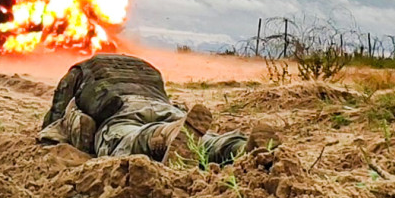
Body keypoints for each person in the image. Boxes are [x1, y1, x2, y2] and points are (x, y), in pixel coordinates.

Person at [38, 53, 278, 165]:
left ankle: (166, 136)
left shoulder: (79, 71)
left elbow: (53, 122)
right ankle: (239, 147)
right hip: (166, 110)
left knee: (129, 140)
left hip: (121, 111)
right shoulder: (148, 69)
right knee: (207, 141)